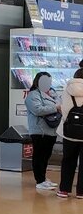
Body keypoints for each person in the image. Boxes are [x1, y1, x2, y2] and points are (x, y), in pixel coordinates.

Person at [24, 72, 61, 191]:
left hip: (51, 130)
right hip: (39, 131)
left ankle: (43, 178)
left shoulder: (53, 93)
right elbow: (37, 110)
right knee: (39, 155)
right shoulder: (33, 95)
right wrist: (55, 108)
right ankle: (39, 180)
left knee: (46, 156)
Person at [56, 67, 83, 199]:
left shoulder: (67, 89)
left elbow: (63, 109)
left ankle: (64, 190)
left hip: (69, 132)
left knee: (68, 160)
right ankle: (81, 192)